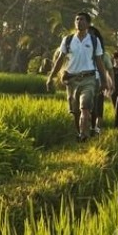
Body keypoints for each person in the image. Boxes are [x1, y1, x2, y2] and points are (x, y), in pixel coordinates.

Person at [43, 12, 110, 141]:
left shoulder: (94, 41)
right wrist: (51, 77)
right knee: (75, 112)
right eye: (77, 19)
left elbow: (99, 62)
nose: (79, 21)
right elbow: (60, 60)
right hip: (72, 80)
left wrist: (104, 81)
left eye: (82, 19)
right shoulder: (68, 40)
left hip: (89, 79)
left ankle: (84, 135)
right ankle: (81, 132)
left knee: (85, 107)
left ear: (88, 24)